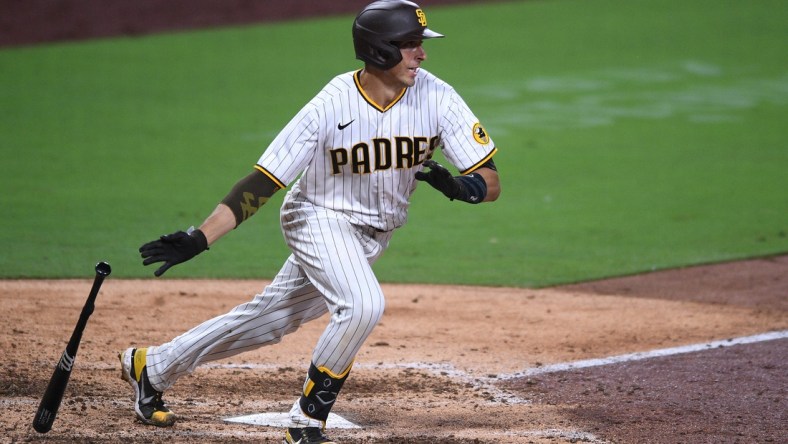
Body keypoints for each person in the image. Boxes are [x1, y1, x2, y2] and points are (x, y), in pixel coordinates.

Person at [120, 1, 501, 442]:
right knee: (362, 305)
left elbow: (490, 179)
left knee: (270, 319)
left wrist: (461, 188)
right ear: (379, 51)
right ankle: (307, 418)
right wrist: (200, 237)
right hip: (316, 218)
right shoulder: (332, 103)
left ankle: (154, 366)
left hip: (372, 237)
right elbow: (264, 181)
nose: (422, 54)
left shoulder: (437, 96)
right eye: (411, 45)